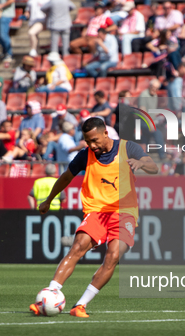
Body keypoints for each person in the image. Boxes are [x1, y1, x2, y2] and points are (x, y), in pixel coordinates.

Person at [29, 117, 159, 318]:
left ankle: (80, 305)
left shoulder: (128, 148)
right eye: (88, 141)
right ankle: (51, 294)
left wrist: (141, 162)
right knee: (78, 246)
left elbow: (154, 167)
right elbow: (65, 177)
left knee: (113, 255)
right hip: (96, 211)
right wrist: (48, 199)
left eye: (95, 140)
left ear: (105, 133)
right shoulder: (85, 155)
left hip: (124, 211)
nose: (92, 145)